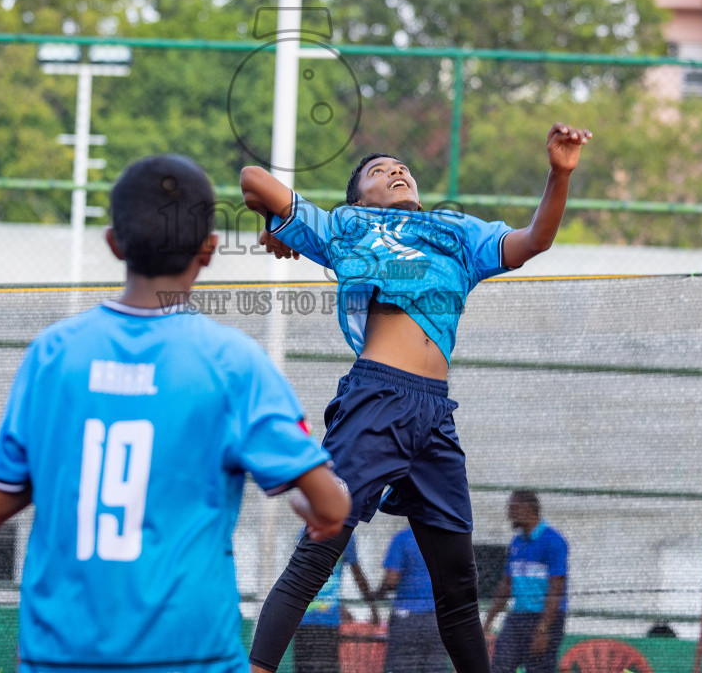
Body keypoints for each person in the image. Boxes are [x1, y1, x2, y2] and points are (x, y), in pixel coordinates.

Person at [0, 154, 350, 672]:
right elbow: (330, 509)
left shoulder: (54, 354)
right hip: (191, 655)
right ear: (210, 250)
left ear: (113, 243)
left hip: (59, 654)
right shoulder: (232, 364)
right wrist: (309, 507)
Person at [245, 123, 592, 673]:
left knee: (458, 583)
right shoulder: (349, 226)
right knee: (318, 555)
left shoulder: (455, 232)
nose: (396, 171)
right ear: (360, 197)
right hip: (376, 398)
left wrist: (560, 172)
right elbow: (253, 178)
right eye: (378, 172)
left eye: (400, 165)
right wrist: (279, 225)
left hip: (434, 413)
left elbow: (534, 241)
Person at [485, 491, 569, 673]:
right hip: (518, 617)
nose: (509, 515)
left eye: (513, 509)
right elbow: (506, 585)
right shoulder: (516, 542)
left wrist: (543, 629)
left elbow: (557, 589)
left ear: (529, 510)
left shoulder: (553, 541)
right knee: (500, 667)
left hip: (545, 619)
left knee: (538, 669)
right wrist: (487, 622)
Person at [296, 532, 377, 673]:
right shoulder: (345, 534)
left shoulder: (306, 531)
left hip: (305, 618)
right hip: (325, 620)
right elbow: (357, 574)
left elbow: (296, 576)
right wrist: (373, 607)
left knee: (305, 668)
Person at [381, 526, 447, 673]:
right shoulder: (447, 537)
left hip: (407, 618)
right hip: (439, 619)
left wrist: (378, 593)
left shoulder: (403, 538)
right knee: (435, 667)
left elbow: (391, 579)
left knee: (402, 666)